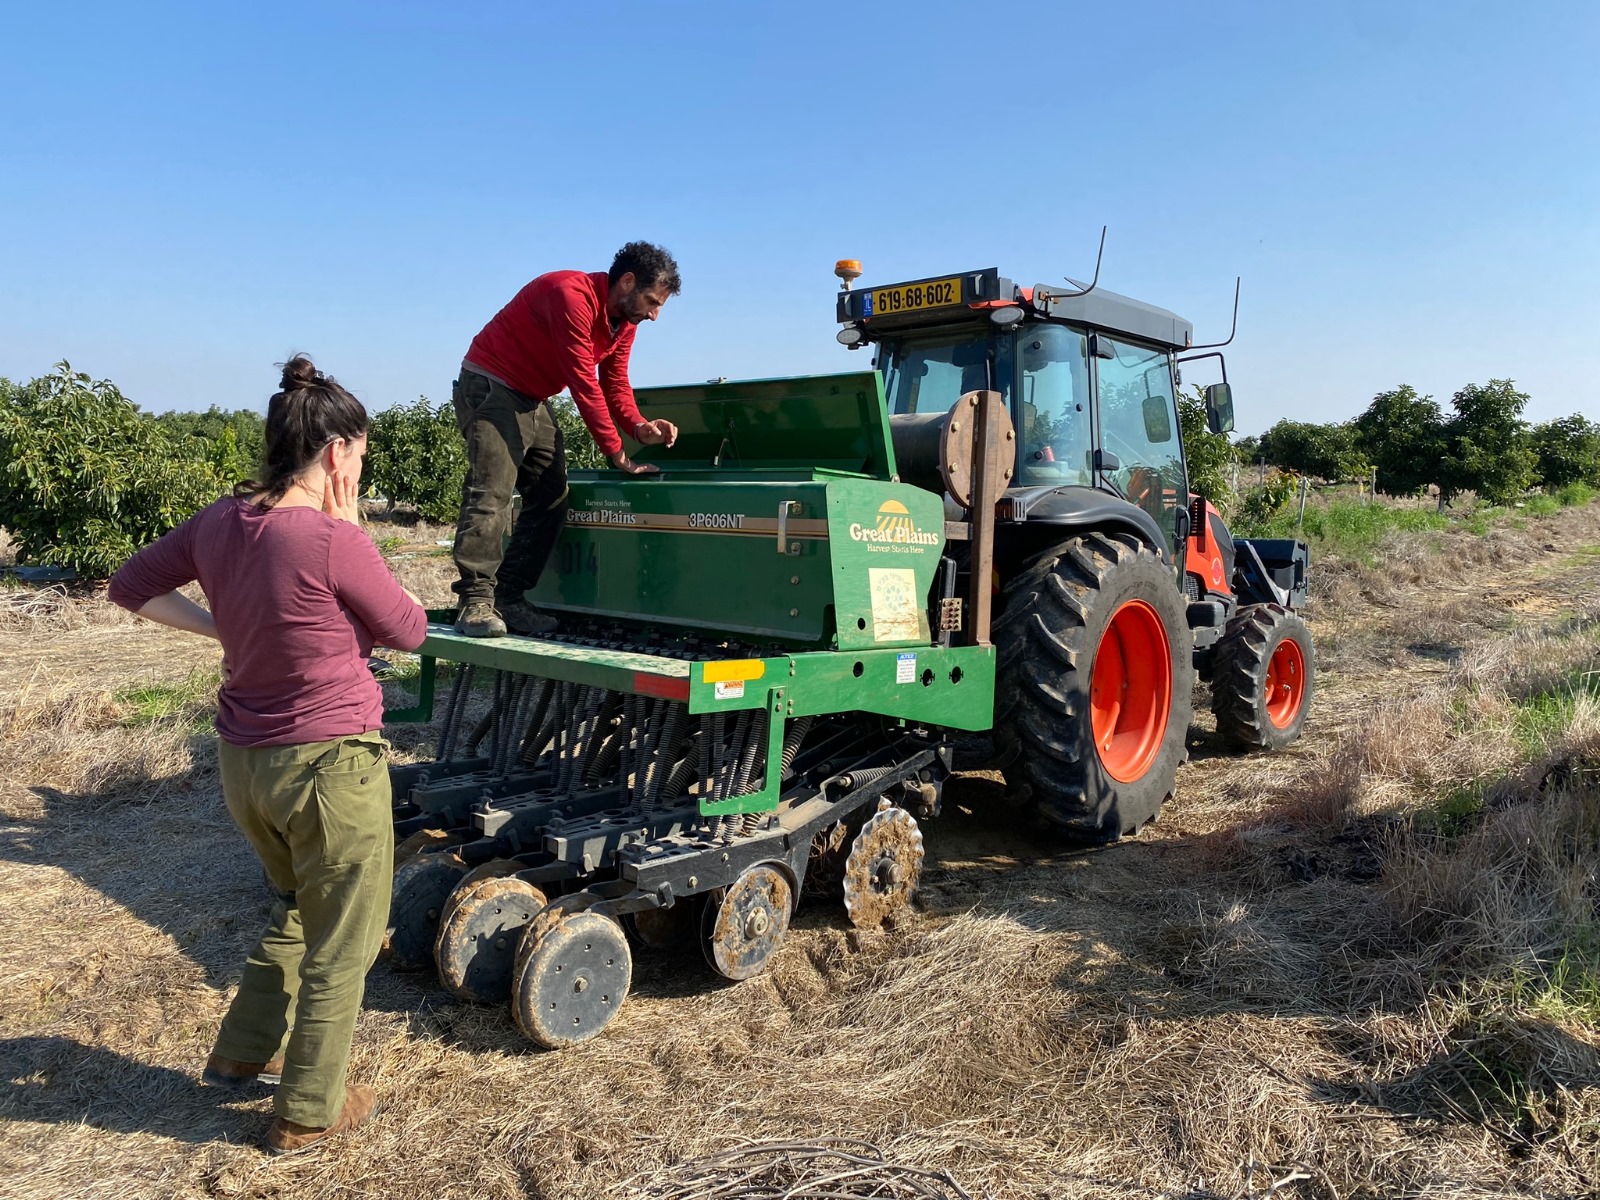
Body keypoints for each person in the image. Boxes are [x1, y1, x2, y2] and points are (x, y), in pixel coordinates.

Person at [108, 356, 427, 1154]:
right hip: (329, 767)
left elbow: (130, 584)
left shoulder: (221, 522)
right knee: (346, 938)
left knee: (294, 907)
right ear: (335, 453)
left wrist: (224, 628)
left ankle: (246, 1048)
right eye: (361, 453)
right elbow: (409, 630)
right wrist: (355, 533)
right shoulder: (327, 539)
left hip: (245, 765)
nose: (362, 468)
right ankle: (311, 1107)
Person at [450, 240, 682, 638]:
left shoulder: (624, 322)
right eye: (651, 301)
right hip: (492, 384)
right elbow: (583, 383)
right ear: (626, 282)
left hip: (532, 395)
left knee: (552, 496)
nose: (655, 315)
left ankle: (508, 596)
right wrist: (617, 453)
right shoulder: (569, 295)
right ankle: (475, 602)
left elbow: (614, 380)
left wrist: (638, 425)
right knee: (491, 493)